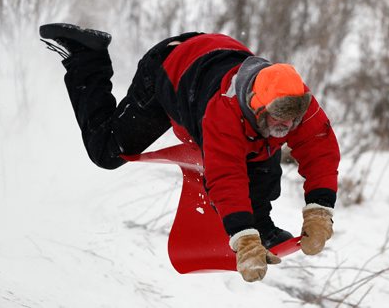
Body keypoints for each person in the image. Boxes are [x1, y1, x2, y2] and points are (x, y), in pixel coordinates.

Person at [40, 23, 340, 282]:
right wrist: (244, 238)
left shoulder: (295, 101)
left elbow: (321, 150)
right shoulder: (223, 112)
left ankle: (262, 225)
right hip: (170, 67)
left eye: (293, 121)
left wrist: (319, 210)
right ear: (254, 102)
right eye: (278, 119)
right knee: (106, 151)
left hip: (212, 52)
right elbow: (225, 176)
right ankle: (85, 55)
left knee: (262, 151)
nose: (287, 126)